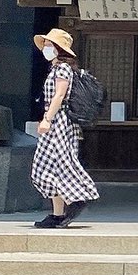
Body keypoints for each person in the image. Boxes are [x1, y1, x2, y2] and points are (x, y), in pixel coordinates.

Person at [29, 26, 98, 230]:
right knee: (50, 167)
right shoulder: (55, 69)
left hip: (58, 122)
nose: (46, 48)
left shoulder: (62, 69)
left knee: (59, 163)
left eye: (50, 45)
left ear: (59, 48)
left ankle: (78, 198)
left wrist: (47, 119)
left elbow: (59, 95)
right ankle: (57, 213)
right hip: (56, 121)